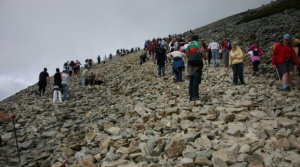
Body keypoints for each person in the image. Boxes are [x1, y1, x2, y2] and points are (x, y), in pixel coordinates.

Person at [185, 35, 206, 101]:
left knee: (192, 80)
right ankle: (195, 96)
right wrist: (205, 57)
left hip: (191, 64)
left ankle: (191, 96)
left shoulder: (189, 45)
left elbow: (187, 54)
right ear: (197, 38)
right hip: (198, 63)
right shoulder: (199, 44)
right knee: (196, 80)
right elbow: (202, 52)